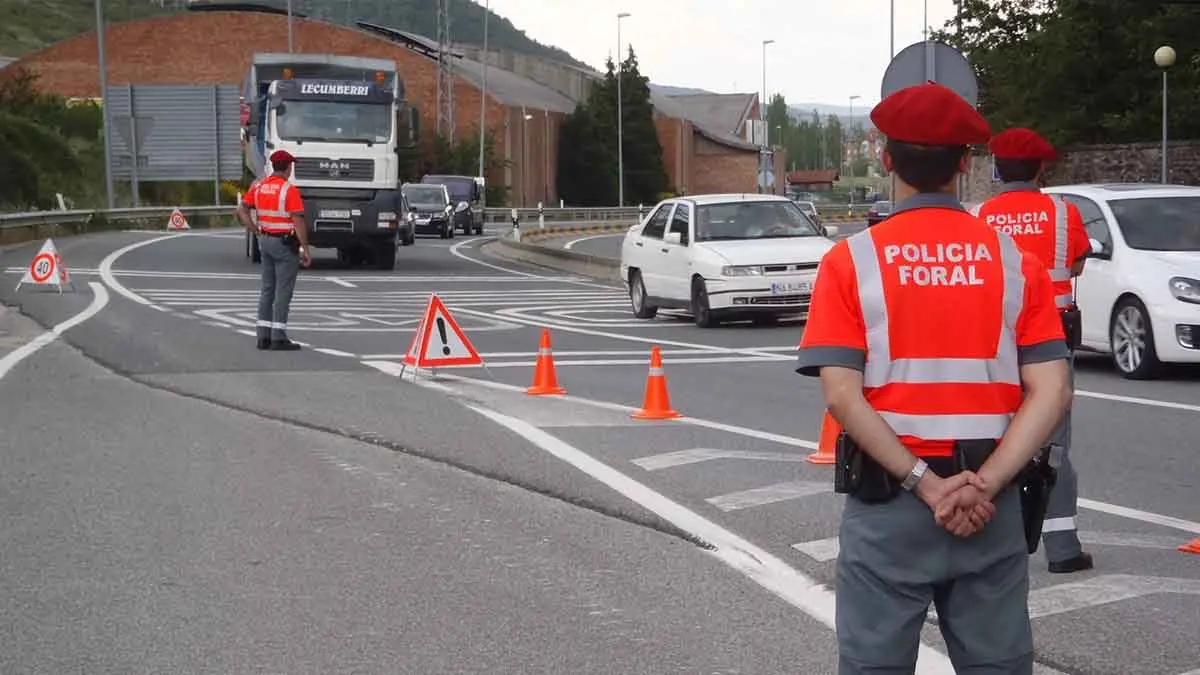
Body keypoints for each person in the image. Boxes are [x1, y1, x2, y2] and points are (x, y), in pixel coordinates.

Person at [795, 82, 1073, 674]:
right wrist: (983, 485)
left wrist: (927, 484)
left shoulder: (850, 261)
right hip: (990, 509)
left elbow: (841, 393)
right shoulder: (1013, 262)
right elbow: (1053, 389)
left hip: (890, 506)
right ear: (965, 164)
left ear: (887, 159)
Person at [974, 127, 1094, 574]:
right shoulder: (1063, 214)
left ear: (997, 169)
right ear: (1041, 168)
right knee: (1051, 445)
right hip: (1050, 340)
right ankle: (1062, 550)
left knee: (994, 436)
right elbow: (1079, 261)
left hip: (994, 341)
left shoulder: (982, 214)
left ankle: (988, 535)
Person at [236, 149, 313, 351]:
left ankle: (263, 336)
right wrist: (305, 248)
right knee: (283, 291)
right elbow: (297, 220)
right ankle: (278, 336)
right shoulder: (289, 190)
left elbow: (242, 209)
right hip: (285, 244)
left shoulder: (259, 186)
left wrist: (254, 230)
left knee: (267, 289)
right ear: (288, 167)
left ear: (273, 166)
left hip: (265, 241)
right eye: (291, 166)